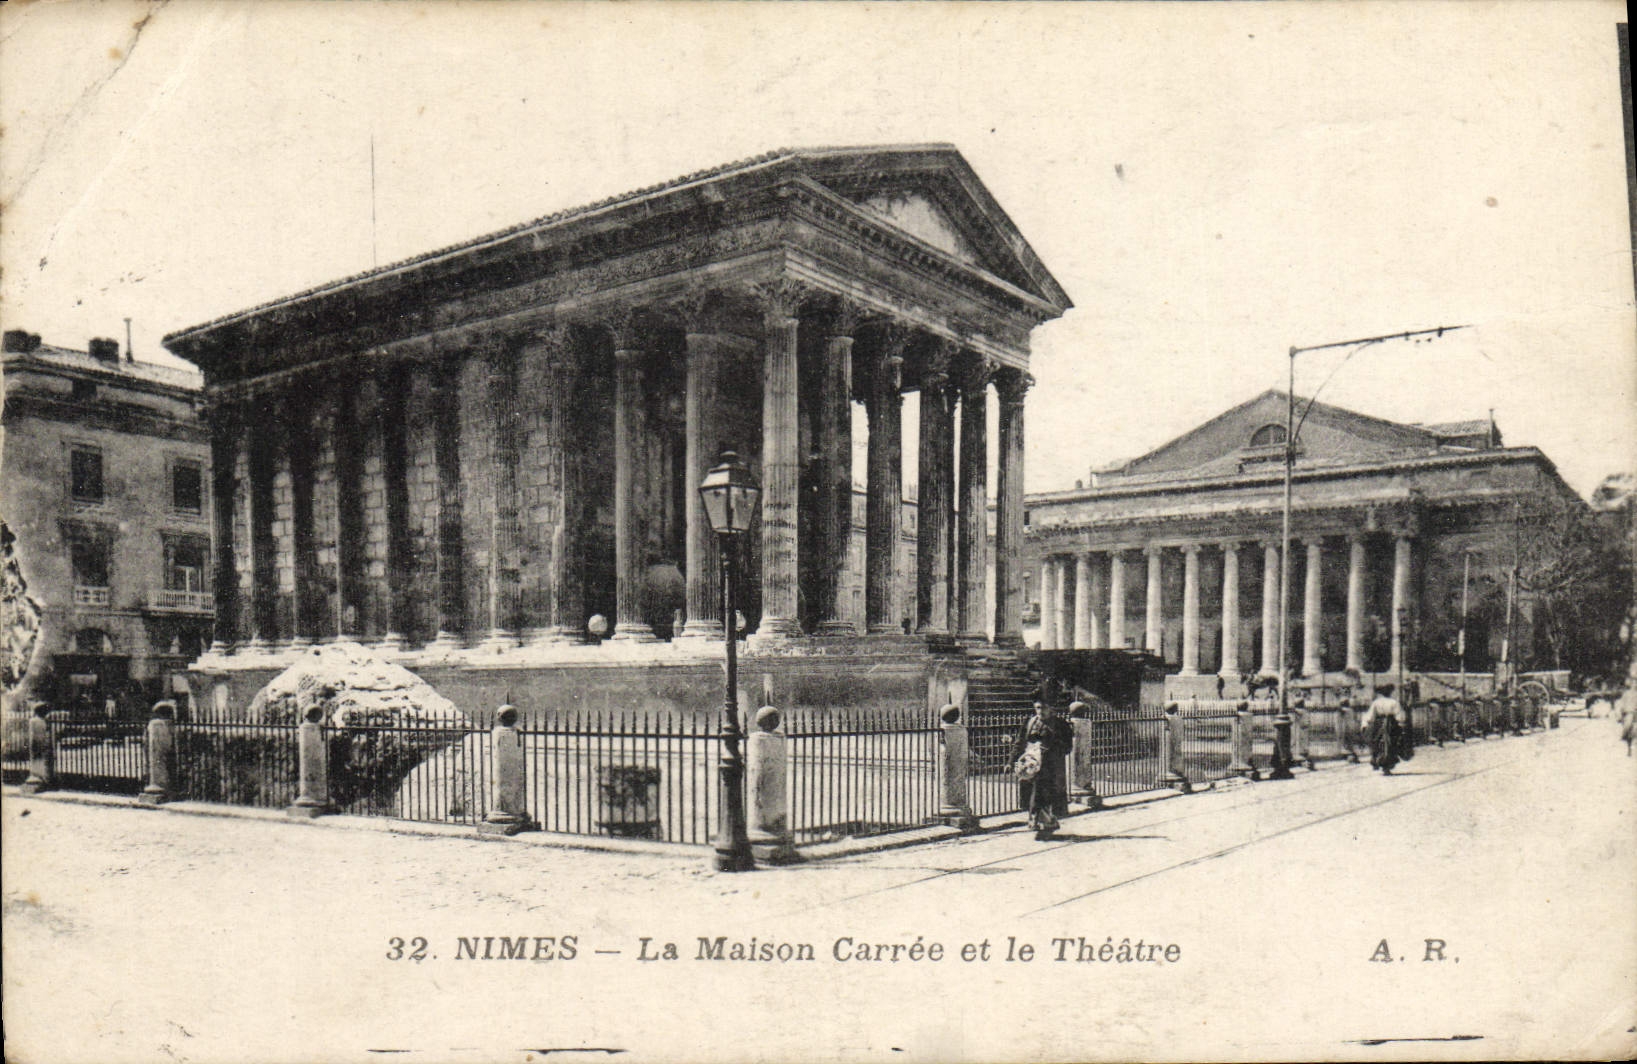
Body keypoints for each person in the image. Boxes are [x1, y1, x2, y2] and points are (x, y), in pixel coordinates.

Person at [1012, 701, 1074, 839]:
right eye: (1038, 708)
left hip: (1050, 767)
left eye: (1044, 707)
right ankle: (1045, 822)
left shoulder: (1060, 724)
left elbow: (1067, 747)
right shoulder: (1030, 722)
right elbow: (1020, 742)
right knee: (1032, 794)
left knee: (1044, 794)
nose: (1041, 711)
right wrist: (1011, 761)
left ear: (1051, 708)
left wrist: (1050, 749)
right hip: (1030, 766)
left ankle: (1042, 823)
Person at [1360, 683, 1409, 774]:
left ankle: (1376, 760)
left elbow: (1371, 715)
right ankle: (1386, 765)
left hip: (1378, 724)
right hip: (1390, 724)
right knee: (1391, 743)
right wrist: (1401, 724)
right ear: (1390, 692)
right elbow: (1399, 715)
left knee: (1376, 742)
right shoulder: (1394, 702)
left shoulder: (1376, 702)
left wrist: (1366, 724)